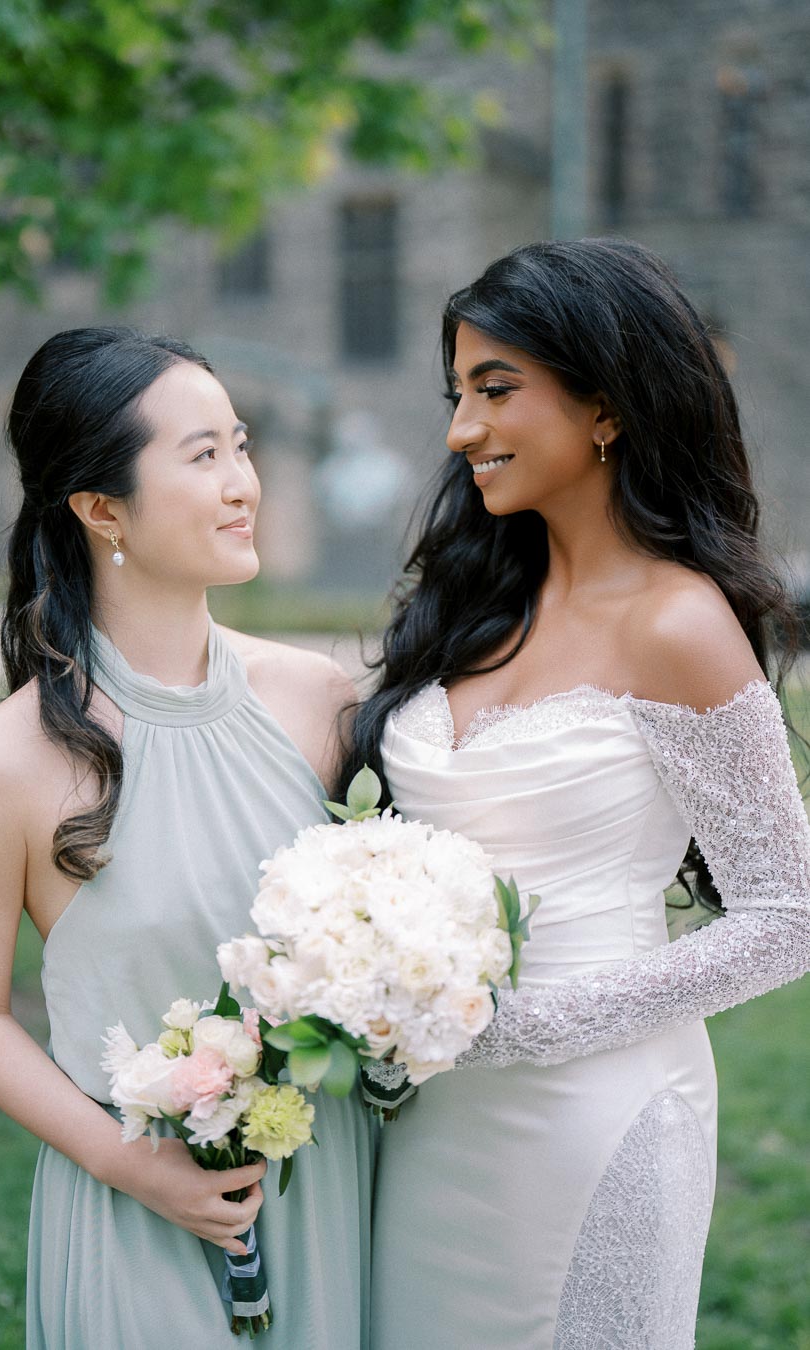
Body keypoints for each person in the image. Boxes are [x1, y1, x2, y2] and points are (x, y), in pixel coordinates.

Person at [346, 239, 810, 1349]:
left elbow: (788, 916)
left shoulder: (678, 623)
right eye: (457, 395)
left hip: (595, 1111)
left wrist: (531, 1028)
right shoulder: (470, 608)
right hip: (432, 1118)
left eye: (495, 390)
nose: (462, 432)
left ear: (606, 407)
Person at [0, 327, 373, 1349]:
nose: (244, 484)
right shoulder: (3, 764)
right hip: (133, 1202)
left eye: (242, 444)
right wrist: (132, 1164)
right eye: (202, 456)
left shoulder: (321, 701)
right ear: (99, 507)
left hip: (327, 1189)